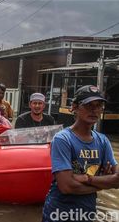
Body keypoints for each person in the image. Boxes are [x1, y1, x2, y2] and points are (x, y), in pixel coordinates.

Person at [42, 85, 119, 222]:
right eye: (88, 105)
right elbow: (66, 186)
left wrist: (88, 179)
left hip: (87, 212)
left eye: (99, 105)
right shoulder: (63, 139)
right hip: (59, 213)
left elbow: (117, 179)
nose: (94, 110)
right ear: (75, 107)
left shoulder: (103, 141)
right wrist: (104, 182)